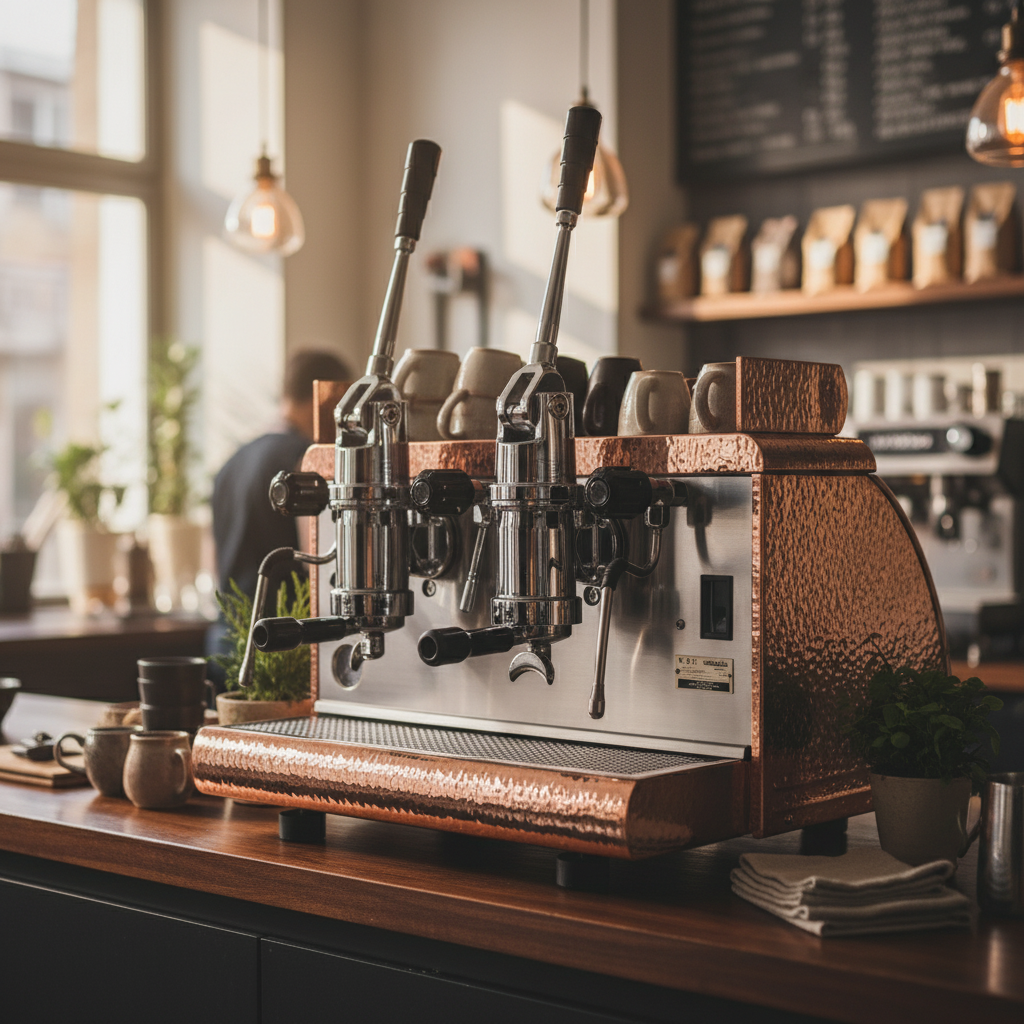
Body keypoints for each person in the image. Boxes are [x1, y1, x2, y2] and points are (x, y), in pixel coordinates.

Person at [207, 349, 350, 671]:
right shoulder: (305, 460)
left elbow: (213, 558)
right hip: (277, 643)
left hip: (225, 637)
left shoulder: (231, 462)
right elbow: (314, 560)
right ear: (326, 395)